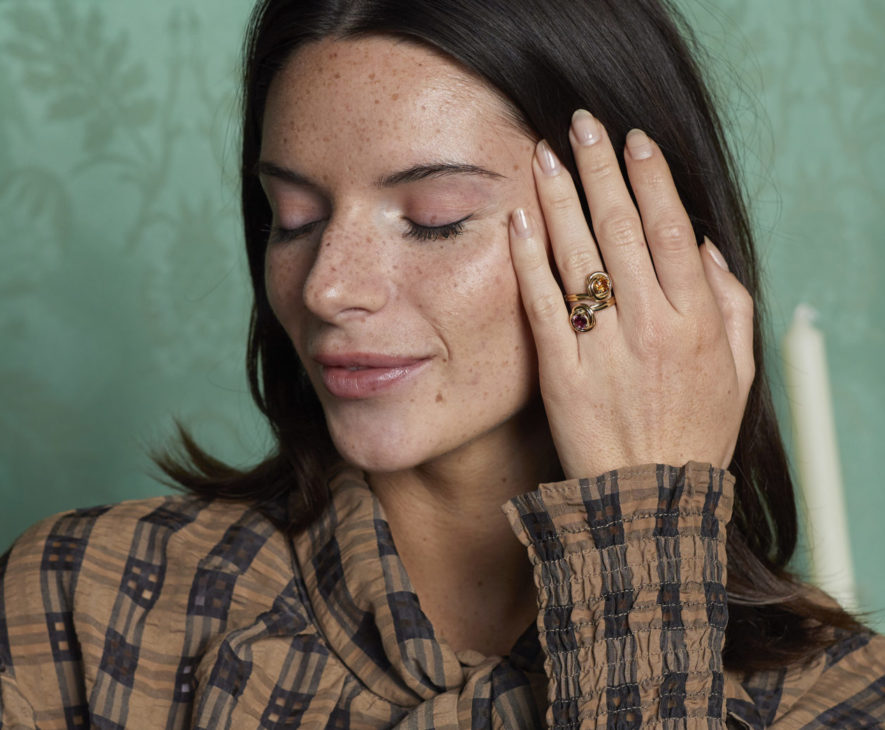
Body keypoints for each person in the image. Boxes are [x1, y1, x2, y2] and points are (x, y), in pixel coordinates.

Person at [2, 0, 883, 727]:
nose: (327, 288)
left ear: (631, 246)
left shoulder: (830, 699)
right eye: (295, 219)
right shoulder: (97, 601)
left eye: (433, 218)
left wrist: (644, 535)